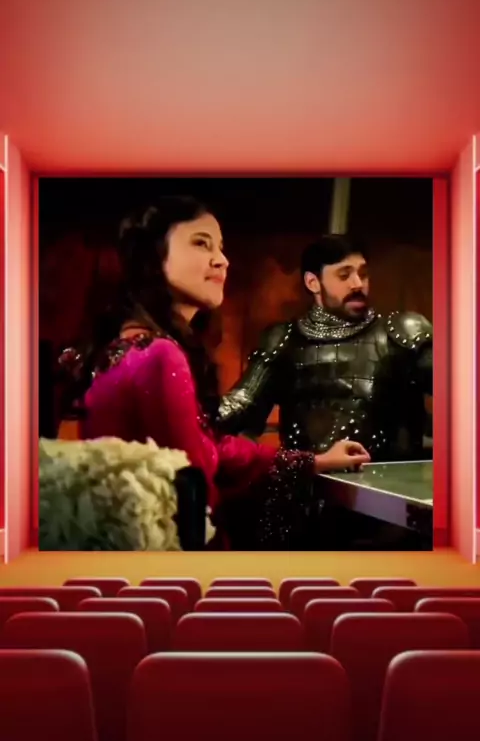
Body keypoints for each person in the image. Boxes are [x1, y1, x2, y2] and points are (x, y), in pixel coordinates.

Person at [67, 198, 370, 550]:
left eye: (221, 247)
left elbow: (209, 446)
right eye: (201, 243)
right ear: (152, 255)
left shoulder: (126, 344)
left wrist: (313, 462)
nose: (222, 260)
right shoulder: (159, 355)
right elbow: (196, 489)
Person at [217, 235, 433, 549]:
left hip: (387, 518)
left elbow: (463, 395)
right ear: (313, 282)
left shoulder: (401, 333)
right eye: (344, 275)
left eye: (363, 273)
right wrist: (187, 412)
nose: (358, 284)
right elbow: (240, 405)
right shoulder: (283, 340)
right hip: (302, 511)